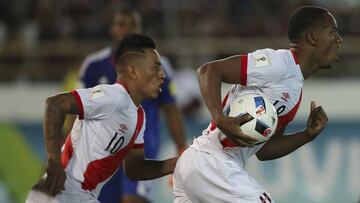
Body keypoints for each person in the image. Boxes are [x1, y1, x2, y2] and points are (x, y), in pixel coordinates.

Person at [173, 6, 342, 203]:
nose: (339, 40)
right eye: (333, 32)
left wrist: (307, 135)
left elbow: (263, 150)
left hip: (200, 167)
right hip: (211, 162)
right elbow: (208, 71)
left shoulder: (294, 89)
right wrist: (220, 119)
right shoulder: (279, 63)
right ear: (313, 38)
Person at [25, 34, 178, 203]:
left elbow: (135, 169)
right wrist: (54, 162)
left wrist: (176, 164)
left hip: (78, 196)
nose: (162, 75)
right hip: (61, 193)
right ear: (133, 71)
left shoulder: (139, 116)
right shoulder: (112, 96)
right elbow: (55, 104)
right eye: (155, 68)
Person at [70, 8, 187, 203]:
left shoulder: (159, 65)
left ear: (140, 30)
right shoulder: (93, 65)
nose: (127, 30)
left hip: (141, 150)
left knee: (133, 200)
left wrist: (181, 149)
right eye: (121, 24)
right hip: (103, 150)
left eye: (132, 25)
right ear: (112, 29)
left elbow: (171, 110)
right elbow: (77, 111)